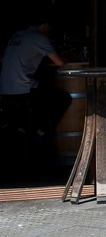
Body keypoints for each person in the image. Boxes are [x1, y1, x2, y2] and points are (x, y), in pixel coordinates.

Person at [0, 19, 68, 169]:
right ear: (45, 25)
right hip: (22, 89)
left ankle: (34, 129)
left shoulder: (18, 35)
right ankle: (39, 130)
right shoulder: (40, 38)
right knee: (62, 99)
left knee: (42, 97)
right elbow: (60, 63)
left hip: (5, 89)